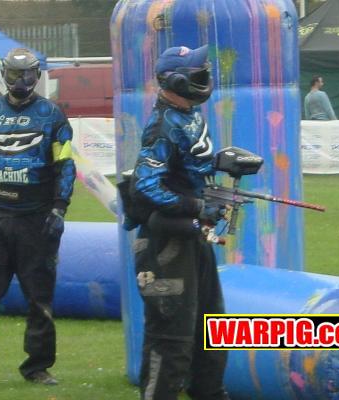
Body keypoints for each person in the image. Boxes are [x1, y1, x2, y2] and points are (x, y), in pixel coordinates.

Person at [0, 48, 76, 388]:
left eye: (27, 75)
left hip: (37, 220)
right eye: (14, 75)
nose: (21, 82)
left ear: (37, 77)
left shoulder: (52, 115)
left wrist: (59, 207)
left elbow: (65, 165)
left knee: (40, 299)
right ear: (4, 75)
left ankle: (38, 367)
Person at [126, 46, 229, 400]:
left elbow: (190, 167)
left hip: (192, 237)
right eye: (197, 74)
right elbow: (145, 185)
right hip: (164, 246)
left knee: (212, 331)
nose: (204, 79)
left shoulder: (190, 115)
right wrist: (195, 205)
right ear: (177, 81)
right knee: (171, 338)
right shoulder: (162, 125)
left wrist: (224, 164)